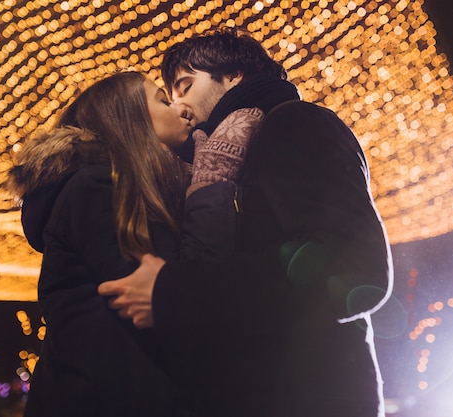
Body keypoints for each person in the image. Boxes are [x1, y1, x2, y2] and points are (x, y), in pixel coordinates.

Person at [99, 29, 394, 417]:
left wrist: (175, 293)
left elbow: (352, 269)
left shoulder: (296, 124)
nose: (180, 106)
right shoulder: (214, 162)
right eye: (170, 97)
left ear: (233, 75)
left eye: (185, 86)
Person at [6, 71, 194, 417]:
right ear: (127, 116)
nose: (184, 109)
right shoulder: (97, 188)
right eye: (164, 101)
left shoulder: (124, 187)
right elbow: (161, 292)